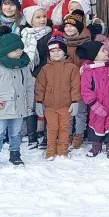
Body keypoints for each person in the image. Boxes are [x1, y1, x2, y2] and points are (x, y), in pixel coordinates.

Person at [0, 26, 34, 169]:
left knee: (16, 133)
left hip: (19, 106)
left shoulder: (23, 65)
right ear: (6, 51)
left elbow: (29, 86)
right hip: (2, 106)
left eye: (21, 49)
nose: (20, 52)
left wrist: (29, 104)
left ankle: (15, 154)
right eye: (16, 50)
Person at [35, 32, 81, 160]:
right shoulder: (45, 69)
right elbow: (40, 87)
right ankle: (50, 151)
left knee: (64, 129)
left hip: (66, 106)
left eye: (59, 50)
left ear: (64, 51)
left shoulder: (72, 68)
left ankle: (62, 150)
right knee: (52, 128)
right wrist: (38, 102)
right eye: (53, 51)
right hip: (50, 106)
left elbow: (75, 86)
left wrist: (75, 101)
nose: (56, 53)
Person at [77, 41, 109, 158]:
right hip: (97, 106)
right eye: (103, 50)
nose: (106, 52)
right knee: (96, 124)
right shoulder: (88, 72)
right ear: (95, 55)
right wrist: (93, 104)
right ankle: (96, 146)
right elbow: (86, 90)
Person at [20, 5, 52, 149]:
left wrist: (35, 74)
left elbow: (47, 57)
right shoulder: (25, 34)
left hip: (43, 75)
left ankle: (46, 135)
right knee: (30, 105)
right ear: (30, 20)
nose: (42, 20)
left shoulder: (48, 35)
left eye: (44, 16)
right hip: (27, 75)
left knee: (45, 105)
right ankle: (31, 135)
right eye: (38, 17)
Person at [61, 10, 91, 149]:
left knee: (79, 111)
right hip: (65, 83)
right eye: (66, 26)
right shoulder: (61, 43)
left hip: (80, 83)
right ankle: (68, 134)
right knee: (67, 111)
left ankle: (79, 134)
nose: (68, 28)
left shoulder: (85, 43)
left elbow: (88, 62)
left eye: (72, 26)